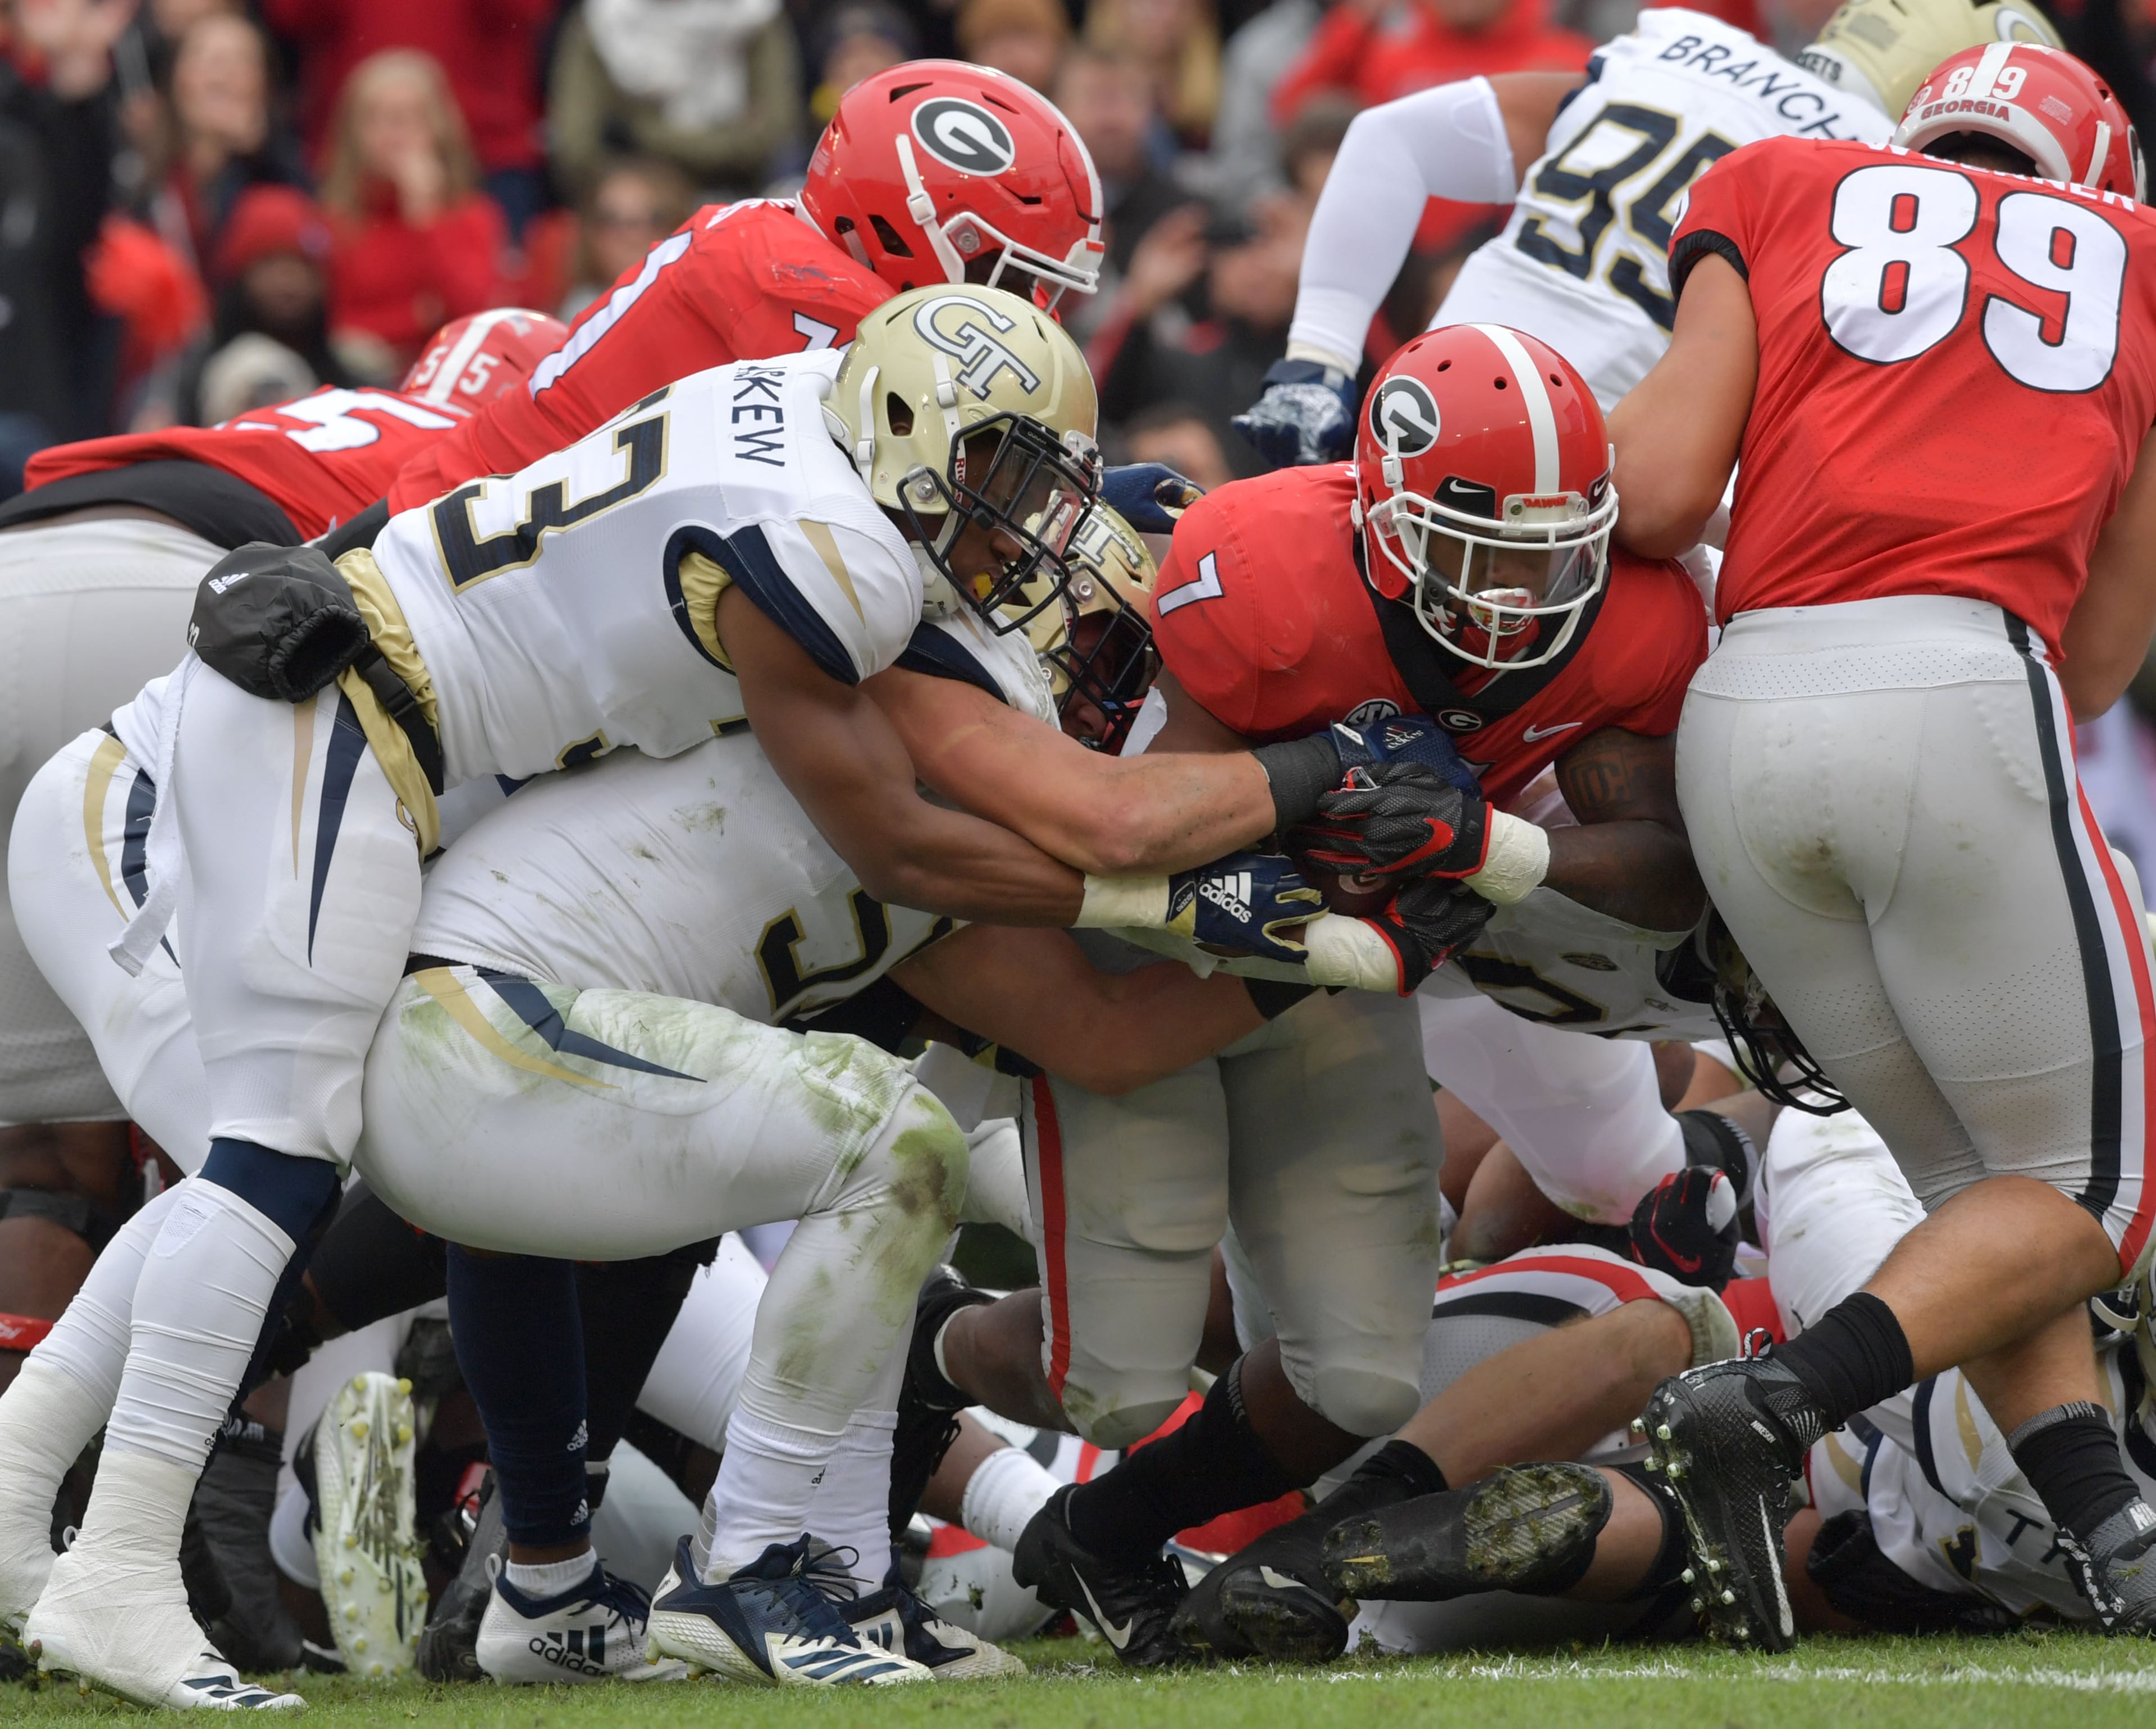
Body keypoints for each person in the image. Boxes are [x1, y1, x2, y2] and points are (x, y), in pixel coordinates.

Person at [2, 281, 1427, 1709]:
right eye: (1003, 495)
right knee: (271, 1172)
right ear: (906, 431)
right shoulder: (867, 588)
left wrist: (1311, 944)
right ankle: (159, 1562)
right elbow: (1031, 830)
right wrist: (1265, 823)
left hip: (395, 767)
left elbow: (1086, 1014)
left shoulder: (814, 476)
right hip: (335, 736)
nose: (1033, 569)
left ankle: (65, 1516)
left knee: (309, 1179)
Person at [899, 326, 1717, 1667]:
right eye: (1483, 547)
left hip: (1346, 978)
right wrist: (1319, 809)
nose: (1522, 588)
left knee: (1360, 1376)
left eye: (1553, 546)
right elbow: (1151, 843)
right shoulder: (1263, 568)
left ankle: (1105, 1534)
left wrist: (1491, 852)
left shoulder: (1630, 612)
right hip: (1179, 948)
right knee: (1107, 1378)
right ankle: (930, 1354)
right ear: (1387, 516)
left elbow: (1668, 872)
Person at [1608, 41, 2156, 1646]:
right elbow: (2108, 659)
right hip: (1958, 692)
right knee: (2101, 1199)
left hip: (1741, 708)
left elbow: (1653, 496)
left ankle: (2114, 1528)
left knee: (1981, 1199)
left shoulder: (1780, 185)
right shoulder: (2134, 257)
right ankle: (1772, 1401)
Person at [1236, 0, 2060, 465]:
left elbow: (1391, 138)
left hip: (1413, 416)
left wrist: (1317, 362)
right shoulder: (1878, 185)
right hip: (1577, 508)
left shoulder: (1683, 50)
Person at [386, 59, 1109, 513]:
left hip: (511, 531)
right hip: (458, 543)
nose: (1026, 312)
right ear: (904, 227)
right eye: (1003, 276)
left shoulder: (780, 236)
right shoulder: (813, 296)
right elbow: (940, 508)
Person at [317, 49, 508, 374]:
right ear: (353, 134)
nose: (396, 132)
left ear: (440, 128)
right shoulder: (334, 221)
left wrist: (427, 216)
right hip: (360, 380)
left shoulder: (473, 215)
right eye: (378, 117)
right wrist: (417, 318)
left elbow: (475, 316)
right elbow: (334, 329)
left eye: (411, 117)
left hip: (451, 376)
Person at [547, 0, 803, 203]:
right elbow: (577, 149)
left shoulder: (754, 14)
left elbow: (771, 136)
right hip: (636, 206)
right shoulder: (604, 19)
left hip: (741, 193)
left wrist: (640, 137)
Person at [558, 157, 697, 324]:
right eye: (612, 220)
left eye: (656, 220)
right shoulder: (579, 320)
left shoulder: (707, 310)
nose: (633, 237)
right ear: (590, 236)